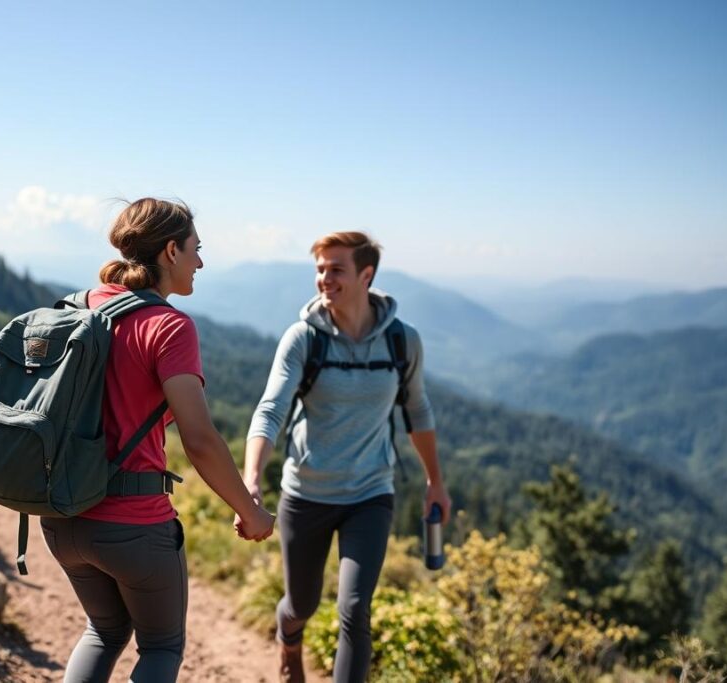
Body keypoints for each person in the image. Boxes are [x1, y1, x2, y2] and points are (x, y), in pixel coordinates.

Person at [41, 198, 276, 683]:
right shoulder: (168, 326)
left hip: (60, 515)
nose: (200, 263)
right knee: (162, 647)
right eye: (196, 249)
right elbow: (200, 439)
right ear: (171, 251)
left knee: (104, 631)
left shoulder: (75, 307)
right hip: (133, 524)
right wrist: (249, 511)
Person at [239, 231, 451, 683]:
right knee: (301, 604)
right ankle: (289, 643)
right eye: (320, 269)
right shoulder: (303, 339)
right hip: (306, 493)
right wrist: (251, 478)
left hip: (371, 493)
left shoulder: (402, 341)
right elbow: (271, 410)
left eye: (336, 269)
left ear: (366, 275)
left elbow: (418, 409)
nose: (324, 279)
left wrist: (436, 482)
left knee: (355, 608)